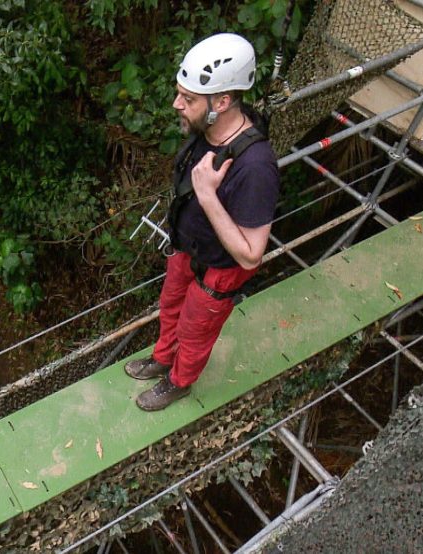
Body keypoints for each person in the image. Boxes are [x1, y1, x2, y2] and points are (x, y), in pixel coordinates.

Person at [126, 33, 280, 411]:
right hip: (189, 246)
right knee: (171, 305)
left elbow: (250, 254)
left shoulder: (256, 167)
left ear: (222, 101)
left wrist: (208, 194)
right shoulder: (206, 131)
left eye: (189, 99)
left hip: (221, 267)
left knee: (196, 329)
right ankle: (163, 358)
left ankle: (179, 381)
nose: (177, 104)